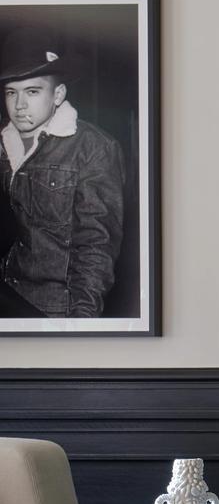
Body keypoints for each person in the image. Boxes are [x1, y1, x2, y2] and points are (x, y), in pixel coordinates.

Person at [0, 28, 124, 318]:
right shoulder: (4, 143)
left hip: (52, 310)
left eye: (32, 91)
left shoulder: (93, 148)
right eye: (10, 93)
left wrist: (80, 325)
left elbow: (97, 247)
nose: (19, 106)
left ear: (58, 94)